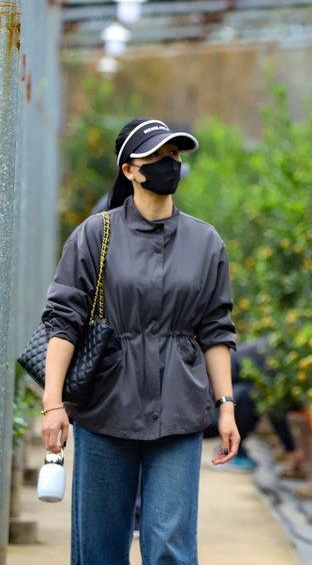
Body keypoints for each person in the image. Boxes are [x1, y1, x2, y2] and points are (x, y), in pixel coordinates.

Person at [39, 117, 241, 565]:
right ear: (129, 169)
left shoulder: (205, 242)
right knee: (99, 547)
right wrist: (53, 404)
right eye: (158, 156)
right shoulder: (95, 234)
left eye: (175, 156)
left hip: (179, 410)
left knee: (170, 546)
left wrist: (225, 406)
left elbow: (215, 329)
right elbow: (64, 320)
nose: (169, 164)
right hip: (105, 407)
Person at [204, 338, 306, 474]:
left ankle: (235, 449)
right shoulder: (270, 359)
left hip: (212, 412)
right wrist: (291, 449)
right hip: (209, 418)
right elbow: (274, 409)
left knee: (255, 394)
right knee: (254, 394)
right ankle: (226, 452)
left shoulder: (269, 349)